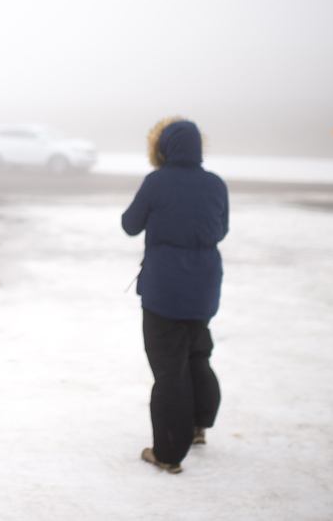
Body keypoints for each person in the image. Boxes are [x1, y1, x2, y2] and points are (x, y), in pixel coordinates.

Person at [121, 117, 228, 474]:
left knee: (169, 370)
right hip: (204, 287)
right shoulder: (215, 184)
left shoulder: (157, 182)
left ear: (162, 148)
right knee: (197, 353)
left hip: (164, 291)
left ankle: (168, 452)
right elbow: (221, 229)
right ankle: (198, 425)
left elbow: (130, 224)